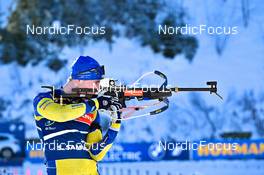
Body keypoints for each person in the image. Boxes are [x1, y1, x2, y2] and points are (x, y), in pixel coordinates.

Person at [33, 56, 122, 175]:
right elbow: (61, 114)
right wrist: (95, 103)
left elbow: (96, 153)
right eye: (96, 82)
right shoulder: (45, 99)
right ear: (79, 79)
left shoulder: (91, 108)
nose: (98, 87)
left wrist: (115, 123)